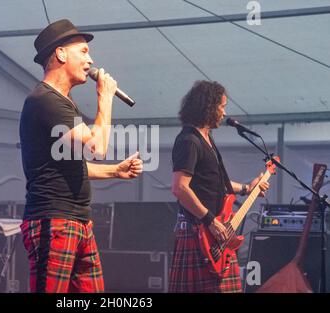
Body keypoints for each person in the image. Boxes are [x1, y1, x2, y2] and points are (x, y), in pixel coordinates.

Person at [19, 19, 143, 293]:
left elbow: (68, 163)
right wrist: (105, 98)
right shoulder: (45, 101)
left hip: (77, 222)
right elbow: (97, 147)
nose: (91, 60)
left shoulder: (62, 103)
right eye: (84, 51)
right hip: (54, 221)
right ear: (61, 54)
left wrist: (114, 171)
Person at [168, 80, 269, 293]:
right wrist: (210, 220)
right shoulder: (189, 140)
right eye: (221, 106)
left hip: (216, 234)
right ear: (208, 107)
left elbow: (213, 183)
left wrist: (246, 188)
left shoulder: (207, 139)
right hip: (200, 232)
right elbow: (180, 188)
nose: (224, 113)